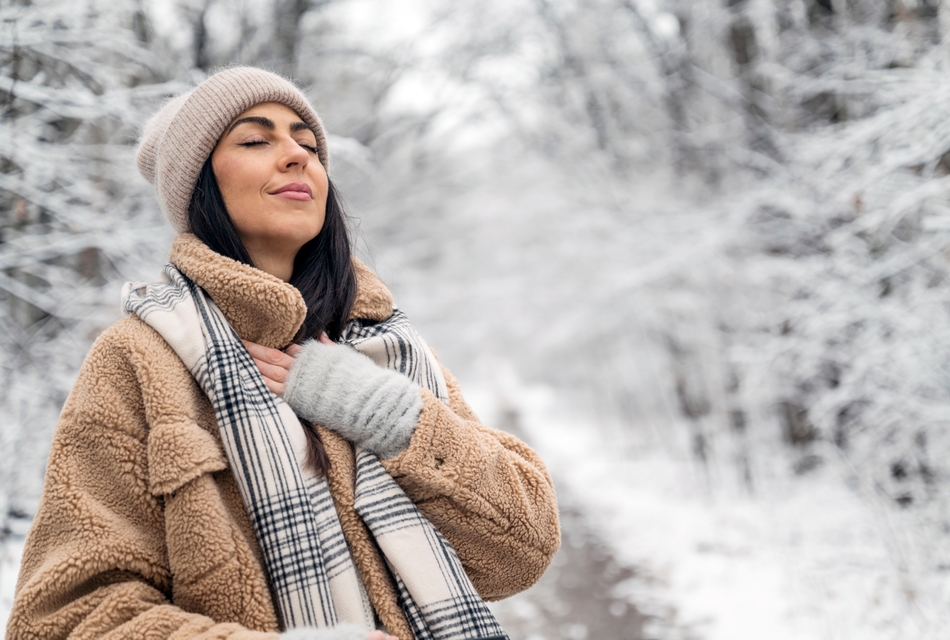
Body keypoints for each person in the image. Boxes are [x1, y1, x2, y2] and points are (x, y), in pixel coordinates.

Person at [6, 67, 560, 640]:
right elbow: (62, 620)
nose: (297, 155)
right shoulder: (140, 358)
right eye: (255, 139)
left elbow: (524, 549)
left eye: (309, 143)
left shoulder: (384, 347)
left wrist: (385, 414)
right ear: (198, 185)